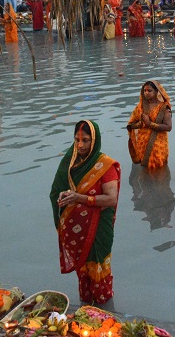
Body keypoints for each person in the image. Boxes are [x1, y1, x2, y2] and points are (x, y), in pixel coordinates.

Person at [50, 120, 121, 305]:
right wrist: (65, 197)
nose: (80, 145)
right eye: (77, 140)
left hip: (98, 230)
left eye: (86, 140)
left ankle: (106, 312)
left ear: (95, 141)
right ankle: (87, 313)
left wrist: (79, 198)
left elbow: (111, 199)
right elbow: (56, 191)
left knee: (98, 269)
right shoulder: (71, 165)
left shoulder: (105, 165)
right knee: (83, 273)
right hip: (78, 231)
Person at [126, 81, 172, 171]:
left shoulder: (164, 107)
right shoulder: (140, 107)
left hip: (159, 145)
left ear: (156, 92)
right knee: (145, 170)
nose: (146, 93)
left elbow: (168, 127)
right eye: (145, 90)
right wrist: (142, 124)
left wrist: (150, 124)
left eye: (149, 90)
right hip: (143, 144)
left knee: (159, 172)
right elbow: (130, 125)